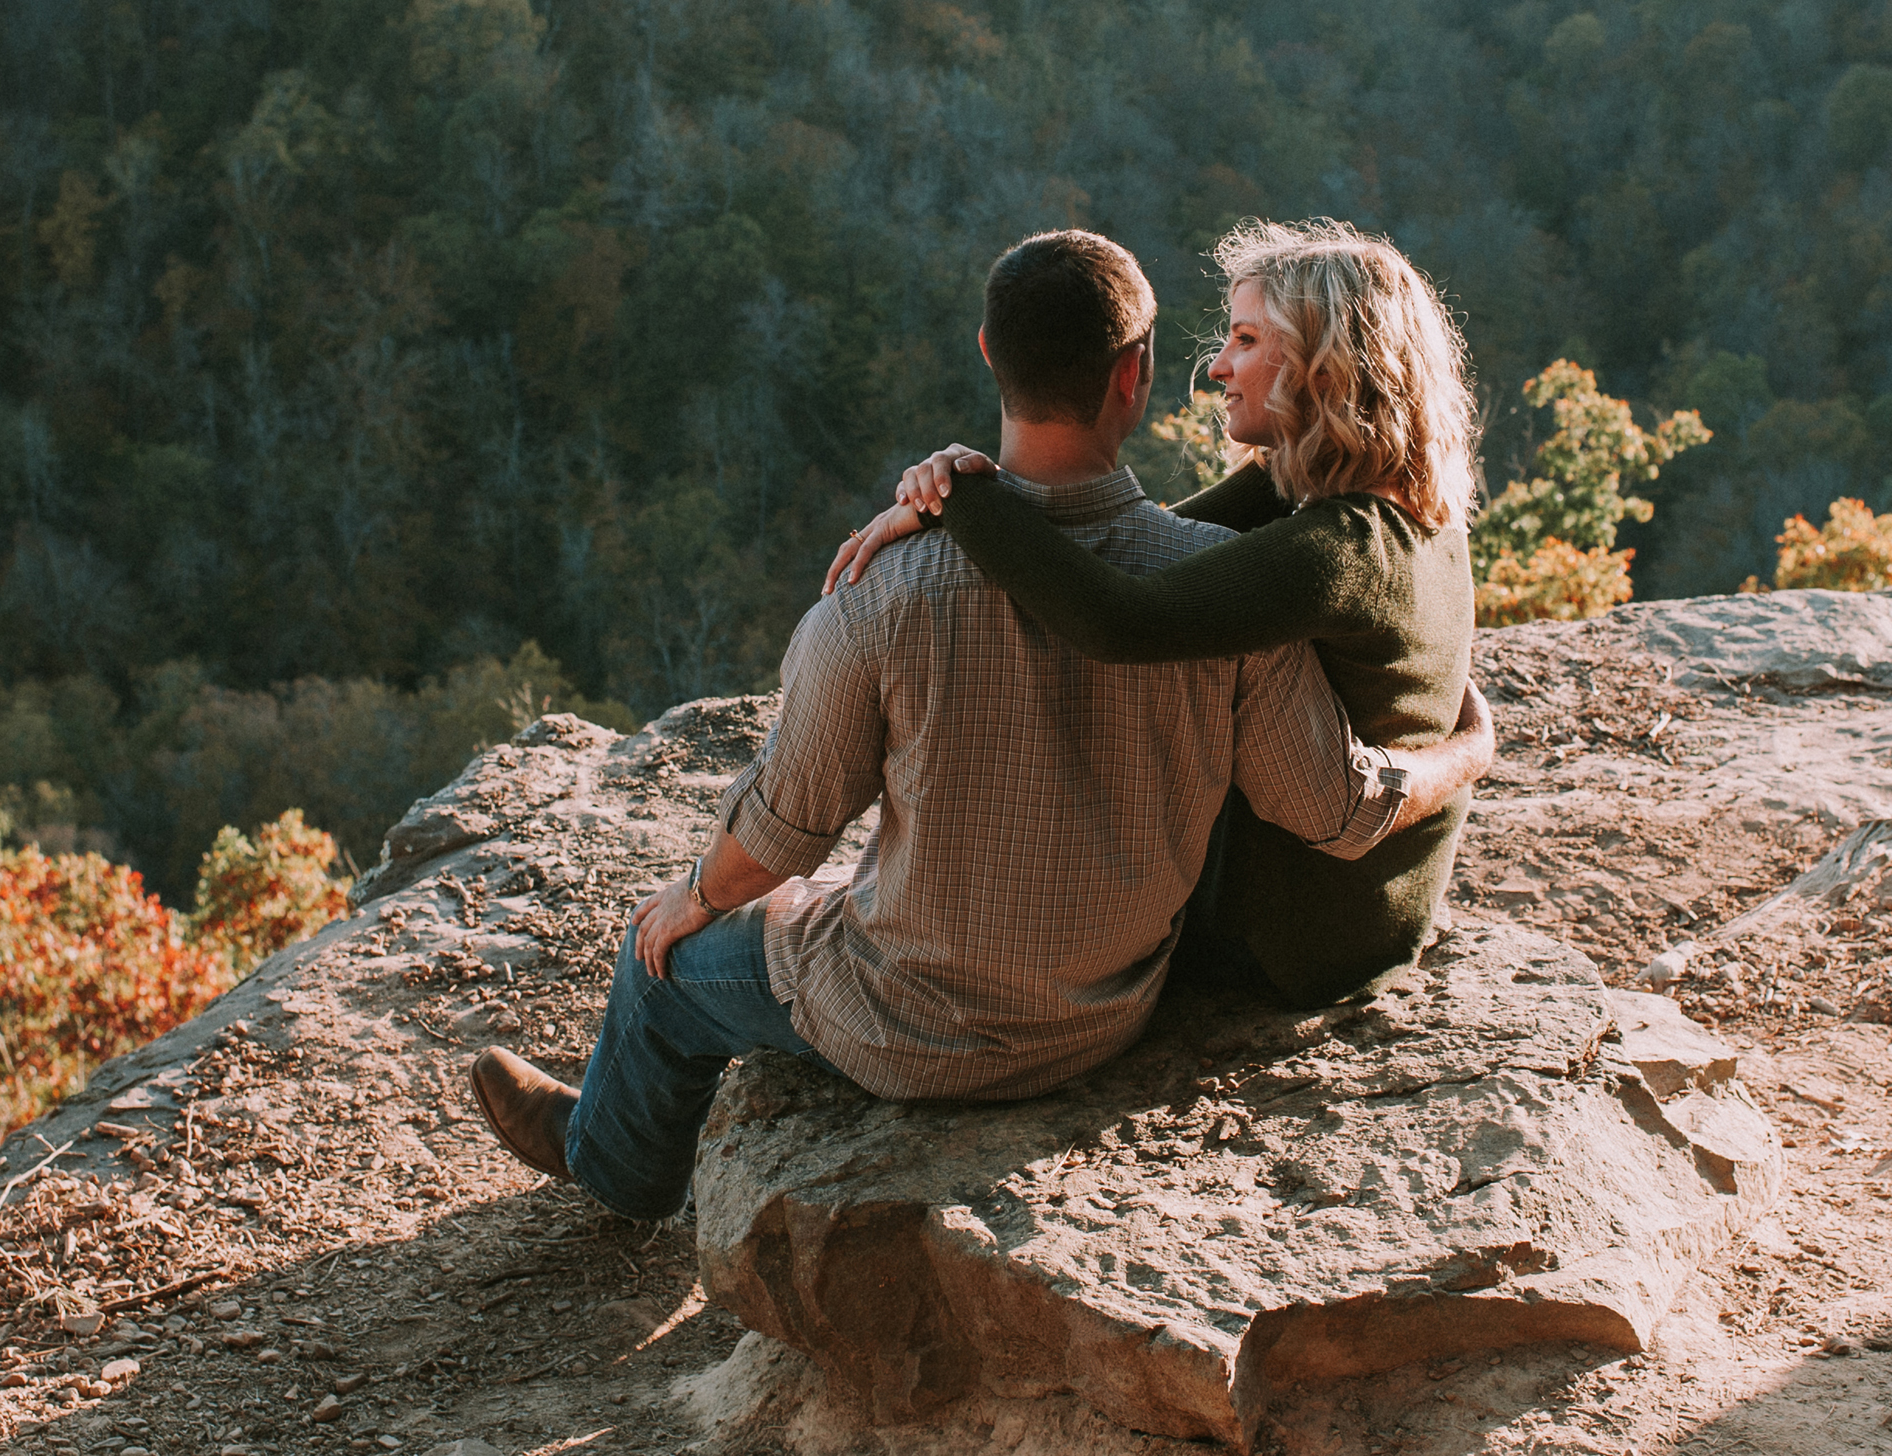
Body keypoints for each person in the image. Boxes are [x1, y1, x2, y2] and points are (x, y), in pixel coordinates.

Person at [468, 229, 1494, 1223]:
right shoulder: (1244, 596)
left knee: (665, 968)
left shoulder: (876, 597)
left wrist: (690, 895)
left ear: (989, 354)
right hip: (1108, 1010)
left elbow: (786, 830)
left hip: (919, 1026)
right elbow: (1306, 777)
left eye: (1244, 340)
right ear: (1131, 374)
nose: (1215, 366)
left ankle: (614, 1162)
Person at [827, 217, 1480, 1008]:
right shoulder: (1393, 505)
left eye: (1244, 339)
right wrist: (956, 498)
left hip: (1291, 943)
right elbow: (1153, 551)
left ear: (1323, 361)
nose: (1216, 367)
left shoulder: (1339, 548)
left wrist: (964, 494)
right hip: (1368, 912)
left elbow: (1122, 618)